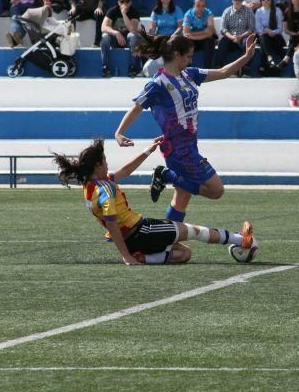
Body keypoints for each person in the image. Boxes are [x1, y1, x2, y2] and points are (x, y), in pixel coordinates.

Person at [115, 33, 257, 223]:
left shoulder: (190, 74)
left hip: (190, 145)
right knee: (216, 191)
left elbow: (223, 71)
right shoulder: (158, 84)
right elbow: (136, 107)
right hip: (178, 149)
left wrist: (246, 57)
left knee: (181, 199)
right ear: (176, 54)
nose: (191, 59)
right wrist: (119, 132)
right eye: (188, 56)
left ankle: (170, 241)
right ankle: (166, 175)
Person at [52, 138, 256, 265]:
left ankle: (144, 258)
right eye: (104, 161)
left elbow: (126, 171)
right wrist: (125, 256)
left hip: (136, 237)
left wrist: (149, 150)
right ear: (97, 165)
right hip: (141, 231)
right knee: (193, 231)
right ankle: (241, 241)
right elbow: (112, 224)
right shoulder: (104, 188)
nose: (107, 163)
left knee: (183, 254)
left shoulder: (91, 184)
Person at [216, 0, 259, 74]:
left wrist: (241, 36)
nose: (238, 1)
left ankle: (245, 69)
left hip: (244, 37)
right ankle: (219, 67)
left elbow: (251, 29)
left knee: (248, 43)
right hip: (231, 38)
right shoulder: (227, 12)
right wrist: (232, 37)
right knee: (222, 42)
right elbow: (223, 29)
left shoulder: (248, 11)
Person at [100, 0, 142, 77]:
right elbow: (103, 27)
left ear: (131, 2)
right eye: (122, 1)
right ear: (118, 2)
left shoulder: (134, 12)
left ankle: (133, 67)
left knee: (132, 36)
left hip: (128, 40)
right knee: (105, 37)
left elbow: (132, 30)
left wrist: (124, 14)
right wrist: (116, 33)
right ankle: (105, 67)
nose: (124, 3)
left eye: (127, 1)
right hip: (115, 39)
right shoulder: (112, 11)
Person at [254, 0, 285, 74]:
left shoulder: (277, 10)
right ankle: (270, 59)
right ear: (261, 1)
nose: (266, 0)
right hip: (264, 36)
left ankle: (264, 65)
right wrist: (267, 31)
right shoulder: (258, 11)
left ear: (271, 0)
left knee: (264, 43)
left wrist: (272, 32)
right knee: (264, 38)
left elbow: (279, 28)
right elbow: (258, 29)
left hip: (276, 36)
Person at [181, 0, 216, 68]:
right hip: (193, 40)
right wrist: (204, 32)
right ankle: (186, 68)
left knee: (210, 41)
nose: (200, 8)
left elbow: (210, 33)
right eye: (198, 6)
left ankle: (208, 69)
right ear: (194, 6)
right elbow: (186, 33)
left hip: (203, 39)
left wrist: (193, 35)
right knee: (186, 42)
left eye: (203, 6)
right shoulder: (188, 14)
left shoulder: (209, 13)